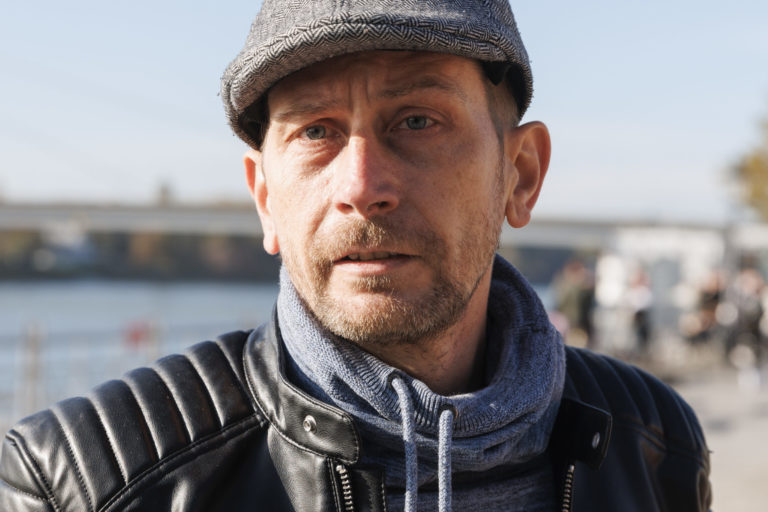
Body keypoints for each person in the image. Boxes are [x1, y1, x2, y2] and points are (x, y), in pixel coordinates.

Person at [0, 1, 711, 511]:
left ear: (520, 176)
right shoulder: (82, 484)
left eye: (418, 121)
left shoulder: (658, 444)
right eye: (316, 131)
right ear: (265, 198)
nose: (362, 187)